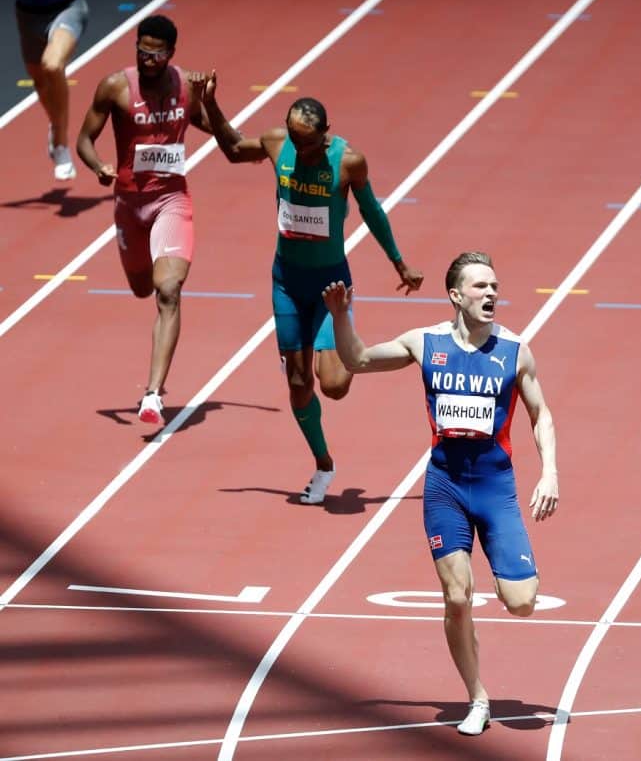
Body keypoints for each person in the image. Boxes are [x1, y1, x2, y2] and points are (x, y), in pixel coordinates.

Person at [322, 252, 559, 735]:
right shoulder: (424, 343)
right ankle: (478, 698)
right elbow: (357, 360)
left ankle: (504, 567)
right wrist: (340, 314)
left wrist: (549, 472)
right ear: (455, 295)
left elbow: (543, 415)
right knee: (456, 596)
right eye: (480, 287)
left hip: (495, 486)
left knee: (521, 602)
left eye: (495, 286)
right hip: (445, 485)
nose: (492, 294)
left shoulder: (515, 351)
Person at [199, 76, 424, 504]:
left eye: (307, 143)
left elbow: (372, 211)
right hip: (286, 281)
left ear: (325, 134)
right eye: (294, 140)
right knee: (300, 385)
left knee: (335, 384)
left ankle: (340, 329)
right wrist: (211, 105)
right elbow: (231, 150)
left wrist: (398, 261)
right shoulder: (275, 143)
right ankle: (324, 464)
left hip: (329, 285)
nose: (299, 151)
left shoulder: (347, 161)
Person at [76, 15, 212, 424]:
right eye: (142, 49)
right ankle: (154, 387)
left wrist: (213, 102)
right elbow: (84, 139)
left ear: (171, 53)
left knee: (167, 290)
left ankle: (152, 395)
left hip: (171, 199)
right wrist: (98, 166)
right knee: (140, 288)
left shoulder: (186, 86)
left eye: (156, 52)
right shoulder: (116, 86)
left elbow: (221, 133)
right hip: (128, 206)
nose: (148, 57)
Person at [15, 0, 90, 180]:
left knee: (53, 65)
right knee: (40, 81)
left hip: (67, 8)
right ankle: (56, 124)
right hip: (28, 15)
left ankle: (60, 141)